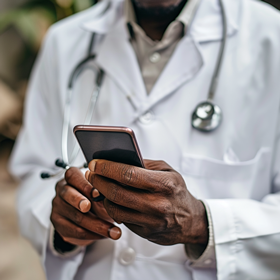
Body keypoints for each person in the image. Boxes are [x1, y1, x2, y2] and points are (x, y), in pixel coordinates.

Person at [9, 0, 280, 279]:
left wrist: (204, 224)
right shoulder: (65, 40)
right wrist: (61, 219)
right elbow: (33, 175)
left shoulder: (271, 37)